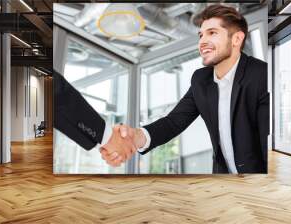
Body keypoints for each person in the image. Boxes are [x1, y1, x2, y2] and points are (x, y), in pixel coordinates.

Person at [100, 4, 269, 174]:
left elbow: (269, 142)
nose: (202, 41)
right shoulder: (201, 80)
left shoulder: (262, 75)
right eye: (201, 35)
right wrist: (134, 137)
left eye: (212, 33)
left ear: (237, 39)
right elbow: (173, 122)